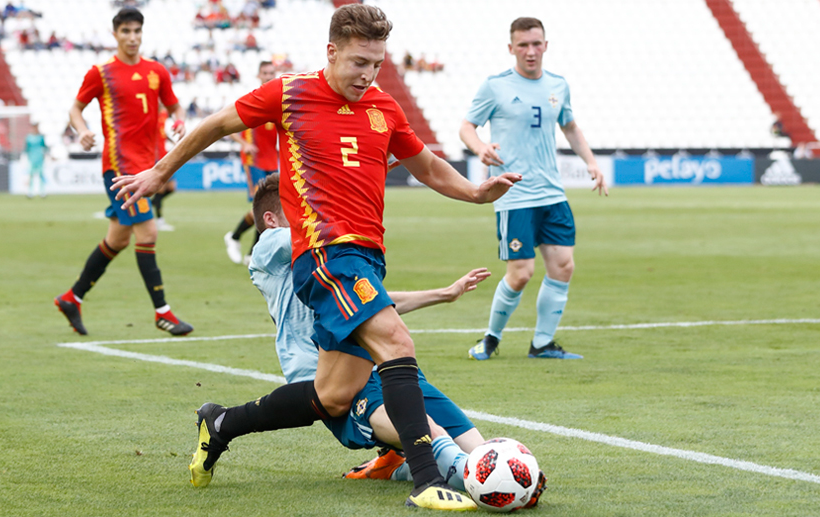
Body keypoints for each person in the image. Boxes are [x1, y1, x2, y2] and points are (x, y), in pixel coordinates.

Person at [112, 4, 519, 510]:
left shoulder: (384, 107)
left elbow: (430, 168)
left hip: (367, 259)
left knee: (331, 395)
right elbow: (217, 124)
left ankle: (220, 423)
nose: (367, 73)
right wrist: (158, 171)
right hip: (327, 255)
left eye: (375, 62)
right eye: (357, 62)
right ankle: (426, 479)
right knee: (396, 341)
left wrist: (476, 193)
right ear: (331, 51)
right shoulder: (290, 93)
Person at [245, 174, 547, 508]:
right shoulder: (268, 249)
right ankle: (468, 475)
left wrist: (445, 294)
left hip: (376, 361)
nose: (309, 213)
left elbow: (375, 307)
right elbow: (329, 228)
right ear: (272, 219)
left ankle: (398, 464)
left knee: (475, 444)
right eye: (298, 208)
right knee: (446, 447)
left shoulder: (326, 259)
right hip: (330, 376)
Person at [460, 17, 606, 362]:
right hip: (514, 194)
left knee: (563, 267)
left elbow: (569, 125)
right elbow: (467, 126)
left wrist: (591, 161)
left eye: (536, 43)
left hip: (552, 193)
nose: (530, 51)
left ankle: (542, 344)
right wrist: (480, 147)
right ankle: (490, 340)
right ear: (511, 48)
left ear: (545, 46)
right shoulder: (495, 86)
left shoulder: (558, 85)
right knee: (521, 273)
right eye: (523, 45)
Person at [53, 7, 191, 337]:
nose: (132, 37)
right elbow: (75, 107)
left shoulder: (157, 71)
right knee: (148, 234)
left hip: (146, 167)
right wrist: (82, 130)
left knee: (116, 239)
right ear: (114, 34)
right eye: (126, 31)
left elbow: (174, 106)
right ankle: (163, 312)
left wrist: (179, 121)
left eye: (137, 31)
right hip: (119, 167)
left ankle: (72, 298)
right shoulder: (101, 73)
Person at [224, 61, 278, 265]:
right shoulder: (253, 100)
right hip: (253, 160)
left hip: (272, 159)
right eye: (265, 73)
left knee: (269, 208)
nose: (269, 76)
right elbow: (227, 126)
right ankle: (235, 236)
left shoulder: (279, 102)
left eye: (272, 73)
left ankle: (252, 253)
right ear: (259, 75)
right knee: (260, 205)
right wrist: (244, 143)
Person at [151, 106, 181, 231]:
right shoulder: (150, 115)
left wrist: (171, 140)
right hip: (154, 155)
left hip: (164, 154)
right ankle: (159, 220)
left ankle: (151, 203)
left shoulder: (163, 114)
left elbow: (162, 133)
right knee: (161, 190)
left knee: (171, 187)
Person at [24, 122, 48, 198]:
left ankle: (42, 192)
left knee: (41, 175)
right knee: (31, 175)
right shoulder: (28, 138)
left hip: (40, 158)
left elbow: (45, 147)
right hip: (31, 159)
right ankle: (30, 192)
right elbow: (26, 149)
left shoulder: (41, 137)